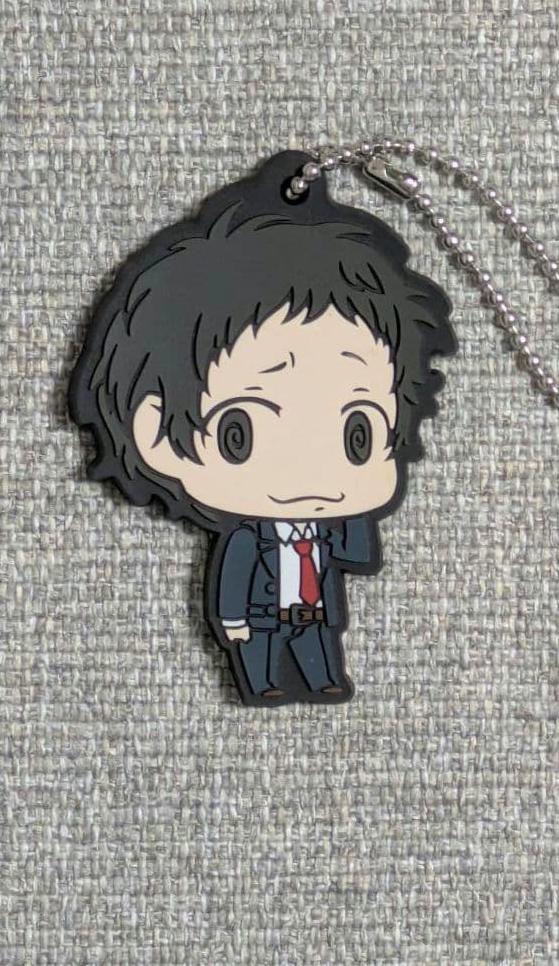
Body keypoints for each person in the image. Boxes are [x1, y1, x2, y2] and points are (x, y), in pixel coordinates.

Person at [69, 151, 457, 705]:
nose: (312, 474)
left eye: (358, 435)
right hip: (260, 615)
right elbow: (234, 577)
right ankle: (262, 681)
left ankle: (322, 678)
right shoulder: (246, 537)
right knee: (259, 653)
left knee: (318, 649)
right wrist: (231, 620)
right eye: (240, 433)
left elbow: (358, 556)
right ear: (155, 435)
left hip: (314, 613)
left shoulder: (331, 529)